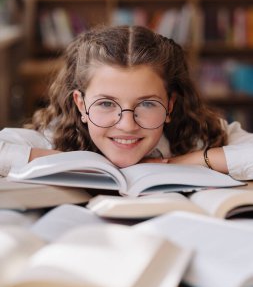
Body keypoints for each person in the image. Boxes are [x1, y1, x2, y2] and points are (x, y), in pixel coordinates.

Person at [0, 25, 253, 179]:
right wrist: (70, 162)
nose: (127, 125)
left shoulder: (197, 135)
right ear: (81, 105)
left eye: (147, 104)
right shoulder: (55, 136)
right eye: (107, 104)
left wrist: (183, 162)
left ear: (170, 105)